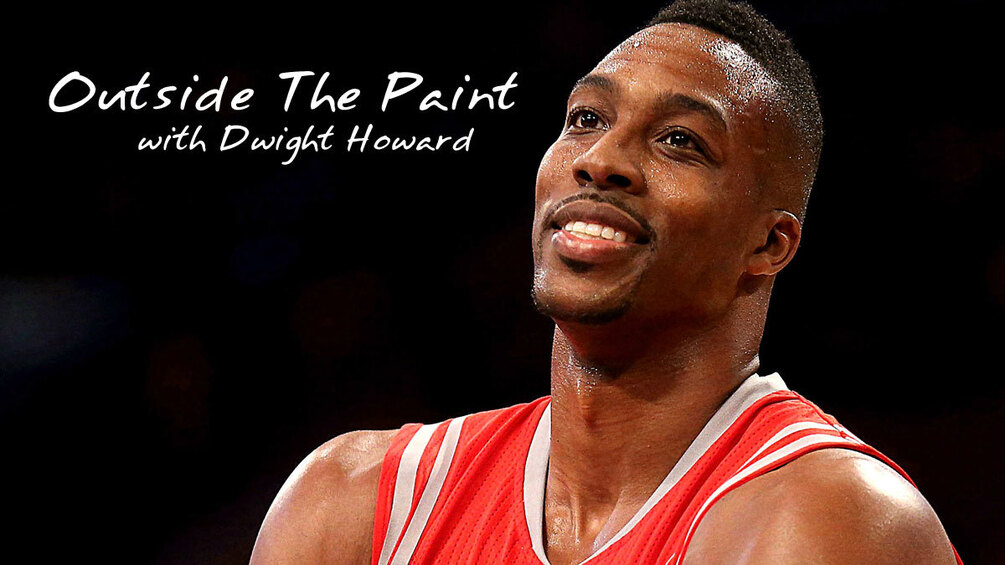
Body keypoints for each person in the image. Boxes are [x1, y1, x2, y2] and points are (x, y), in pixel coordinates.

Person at [250, 1, 963, 563]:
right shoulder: (353, 503)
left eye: (679, 140)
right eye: (586, 118)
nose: (599, 159)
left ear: (768, 244)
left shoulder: (825, 519)